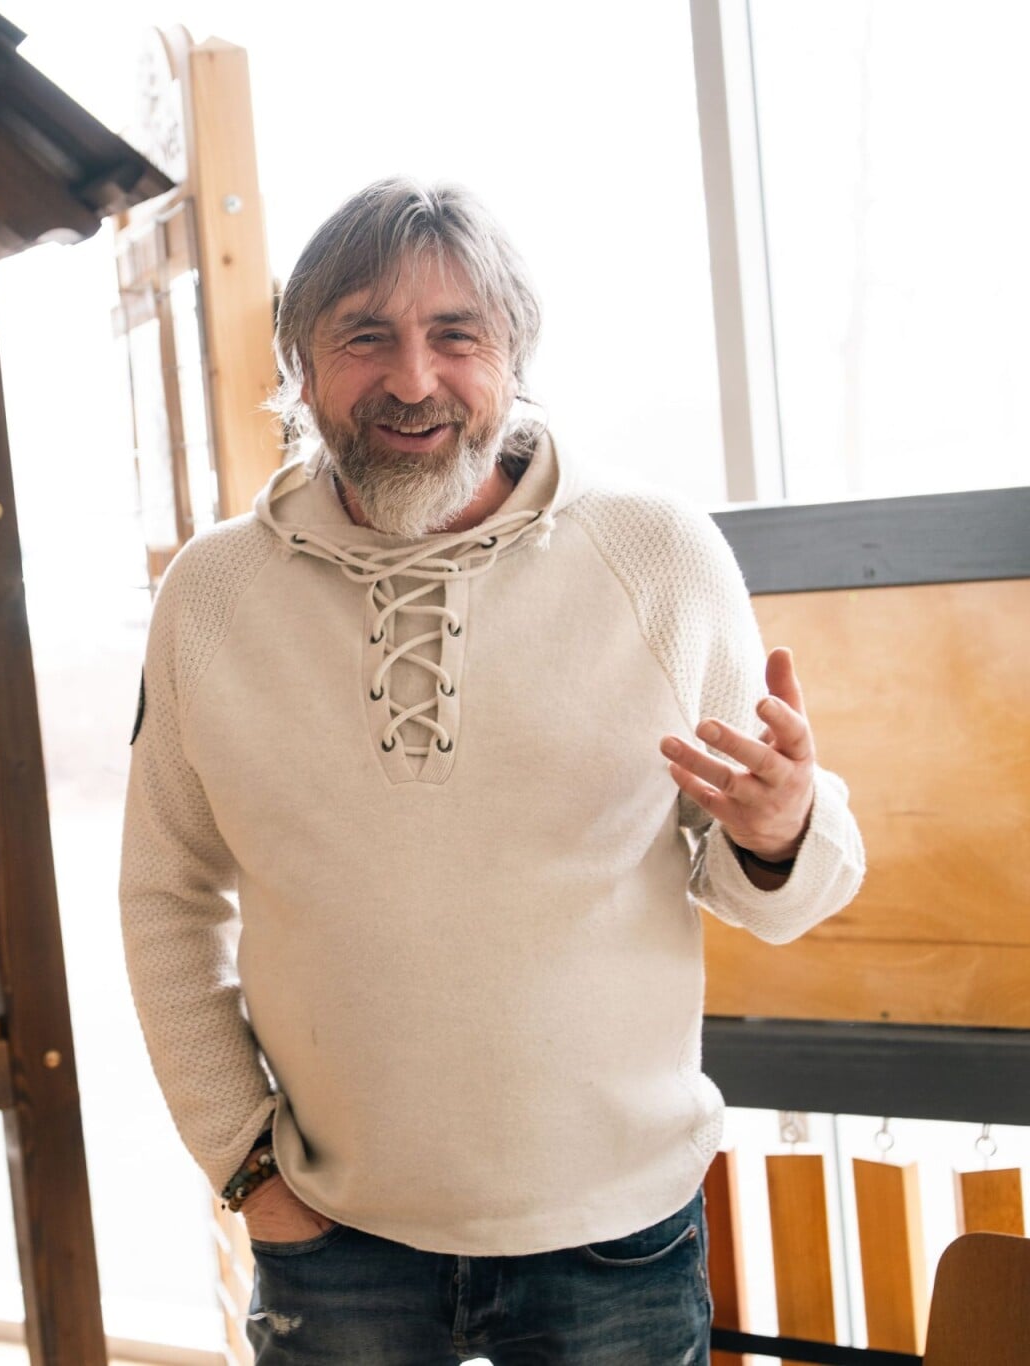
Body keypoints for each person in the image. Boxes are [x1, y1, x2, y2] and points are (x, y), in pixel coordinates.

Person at [117, 177, 867, 1364]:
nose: (412, 379)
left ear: (514, 355)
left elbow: (776, 894)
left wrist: (779, 831)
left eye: (454, 334)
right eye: (364, 335)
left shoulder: (656, 552)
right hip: (333, 1235)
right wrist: (245, 1165)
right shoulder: (209, 595)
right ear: (299, 367)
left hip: (613, 1235)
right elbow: (165, 898)